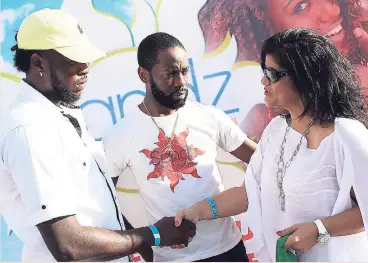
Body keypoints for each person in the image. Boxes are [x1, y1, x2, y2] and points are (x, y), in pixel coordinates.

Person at [0, 9, 196, 262]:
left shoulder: (60, 114)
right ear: (38, 63)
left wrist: (143, 244)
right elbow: (67, 244)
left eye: (86, 59)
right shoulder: (29, 129)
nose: (85, 68)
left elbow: (94, 208)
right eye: (74, 59)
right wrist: (152, 235)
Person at [174, 28, 368, 262]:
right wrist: (196, 212)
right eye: (263, 71)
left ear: (304, 76)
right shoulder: (276, 131)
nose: (263, 80)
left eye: (273, 74)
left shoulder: (346, 134)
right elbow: (251, 193)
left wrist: (320, 229)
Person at [103, 32, 257, 262]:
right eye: (170, 73)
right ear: (143, 74)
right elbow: (104, 200)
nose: (181, 82)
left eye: (184, 71)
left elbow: (264, 161)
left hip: (228, 250)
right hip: (171, 258)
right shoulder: (121, 135)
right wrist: (144, 244)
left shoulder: (208, 116)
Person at [199, 0, 368, 143]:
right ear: (271, 30)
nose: (333, 10)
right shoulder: (271, 130)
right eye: (300, 6)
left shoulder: (361, 81)